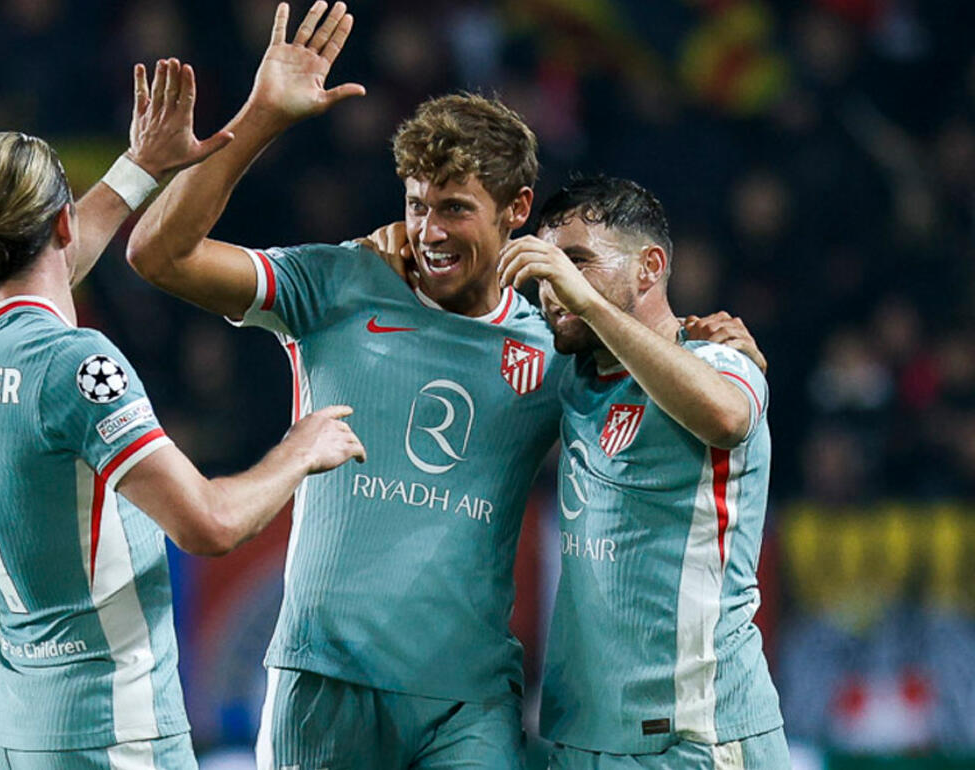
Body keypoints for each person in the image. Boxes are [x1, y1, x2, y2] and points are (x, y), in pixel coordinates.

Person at [126, 4, 764, 768]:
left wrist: (700, 336)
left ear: (517, 210)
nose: (429, 231)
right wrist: (262, 117)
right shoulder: (336, 282)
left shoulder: (555, 341)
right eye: (417, 205)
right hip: (324, 679)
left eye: (455, 209)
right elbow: (158, 256)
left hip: (471, 701)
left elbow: (649, 347)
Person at [0, 58, 366, 770]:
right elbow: (209, 524)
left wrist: (142, 167)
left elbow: (45, 275)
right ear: (61, 223)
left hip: (23, 726)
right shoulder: (74, 364)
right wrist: (301, 448)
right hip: (114, 729)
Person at [498, 175, 788, 769]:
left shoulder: (719, 360)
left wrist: (590, 304)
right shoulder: (571, 375)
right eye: (548, 269)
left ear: (650, 267)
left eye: (578, 262)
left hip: (698, 736)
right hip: (582, 736)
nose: (555, 286)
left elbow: (728, 416)